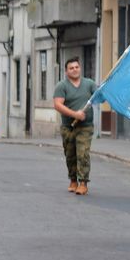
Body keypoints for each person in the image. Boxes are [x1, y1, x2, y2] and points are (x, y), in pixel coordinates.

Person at [53, 57, 97, 196]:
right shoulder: (62, 86)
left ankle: (83, 183)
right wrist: (74, 114)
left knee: (83, 153)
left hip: (86, 126)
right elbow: (58, 105)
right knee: (70, 154)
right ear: (66, 72)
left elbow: (99, 96)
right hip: (68, 127)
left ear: (80, 68)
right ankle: (73, 180)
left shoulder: (89, 84)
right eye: (71, 68)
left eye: (76, 67)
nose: (74, 70)